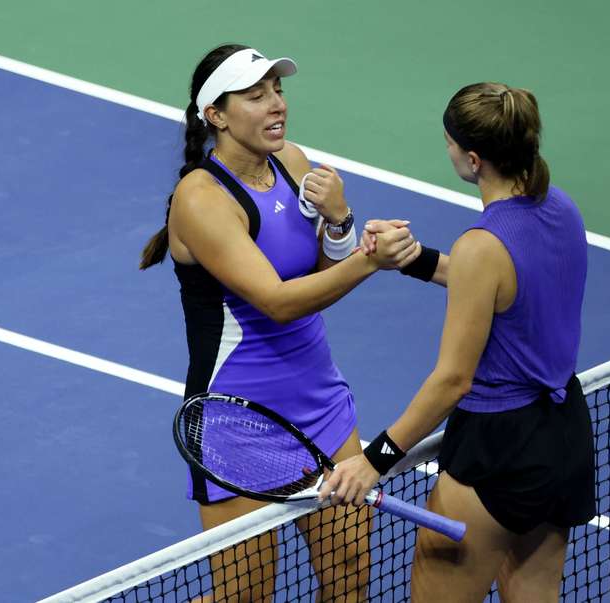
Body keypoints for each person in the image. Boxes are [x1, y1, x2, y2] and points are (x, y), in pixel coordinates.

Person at [139, 44, 420, 602]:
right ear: (216, 115)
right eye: (255, 95)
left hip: (322, 407)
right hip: (236, 425)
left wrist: (340, 222)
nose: (276, 106)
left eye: (278, 91)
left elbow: (320, 273)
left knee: (349, 578)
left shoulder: (292, 163)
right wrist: (372, 259)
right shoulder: (200, 199)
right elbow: (280, 301)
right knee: (245, 598)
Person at [322, 82, 596, 602]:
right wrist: (417, 259)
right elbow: (505, 289)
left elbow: (452, 380)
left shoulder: (481, 246)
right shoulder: (561, 209)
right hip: (564, 440)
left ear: (472, 160)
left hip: (497, 449)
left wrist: (373, 459)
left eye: (449, 144)